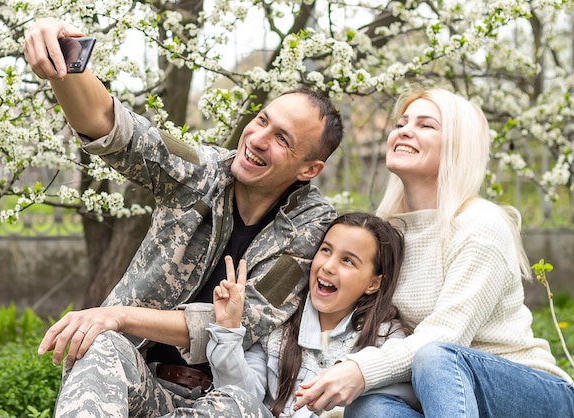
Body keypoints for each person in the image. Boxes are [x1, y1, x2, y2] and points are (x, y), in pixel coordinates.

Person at [24, 17, 343, 417]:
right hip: (135, 378)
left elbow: (231, 321)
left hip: (217, 400)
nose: (258, 139)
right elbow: (117, 130)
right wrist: (65, 65)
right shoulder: (202, 170)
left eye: (282, 140)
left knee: (238, 406)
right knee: (104, 342)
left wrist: (119, 315)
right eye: (262, 120)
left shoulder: (313, 230)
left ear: (309, 169)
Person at [292, 88, 574, 417]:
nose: (404, 130)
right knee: (369, 408)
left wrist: (360, 370)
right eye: (401, 123)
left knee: (435, 356)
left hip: (530, 396)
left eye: (426, 125)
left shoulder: (479, 225)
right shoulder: (388, 234)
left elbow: (445, 337)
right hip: (442, 398)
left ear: (458, 146)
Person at [174, 212, 417, 417]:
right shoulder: (281, 319)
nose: (328, 266)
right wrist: (228, 327)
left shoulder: (387, 341)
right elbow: (239, 397)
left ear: (373, 283)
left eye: (348, 261)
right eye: (325, 250)